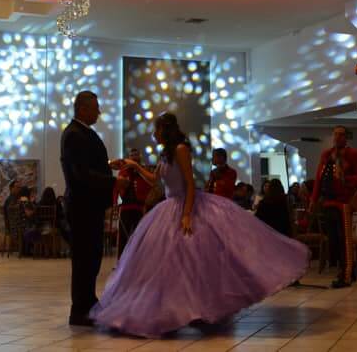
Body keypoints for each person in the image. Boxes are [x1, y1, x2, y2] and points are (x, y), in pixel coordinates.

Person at [90, 113, 308, 338]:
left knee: (194, 261)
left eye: (157, 130)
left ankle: (198, 309)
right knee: (169, 263)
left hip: (186, 206)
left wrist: (186, 214)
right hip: (168, 208)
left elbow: (190, 184)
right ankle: (173, 309)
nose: (154, 134)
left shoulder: (181, 150)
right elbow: (155, 180)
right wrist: (134, 165)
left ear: (166, 130)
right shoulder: (165, 153)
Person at [60, 91, 116, 327]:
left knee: (92, 257)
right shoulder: (74, 134)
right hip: (83, 206)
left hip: (90, 206)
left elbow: (90, 165)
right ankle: (80, 309)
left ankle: (88, 301)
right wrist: (113, 181)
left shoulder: (82, 132)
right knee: (84, 259)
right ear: (83, 109)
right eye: (95, 107)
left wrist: (110, 166)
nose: (99, 112)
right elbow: (80, 174)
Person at [310, 125, 357, 288]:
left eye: (341, 134)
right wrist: (313, 200)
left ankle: (346, 274)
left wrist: (345, 178)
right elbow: (319, 178)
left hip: (345, 203)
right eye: (335, 134)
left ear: (346, 137)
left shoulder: (354, 154)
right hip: (328, 202)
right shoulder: (326, 154)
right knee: (334, 239)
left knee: (344, 239)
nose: (338, 137)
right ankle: (346, 270)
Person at [116, 148, 151, 255]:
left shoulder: (144, 171)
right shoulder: (123, 171)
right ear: (129, 158)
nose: (134, 157)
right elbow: (117, 187)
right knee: (123, 237)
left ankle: (138, 258)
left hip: (140, 208)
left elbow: (149, 187)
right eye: (132, 155)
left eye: (136, 155)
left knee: (139, 236)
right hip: (125, 207)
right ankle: (122, 260)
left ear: (140, 157)